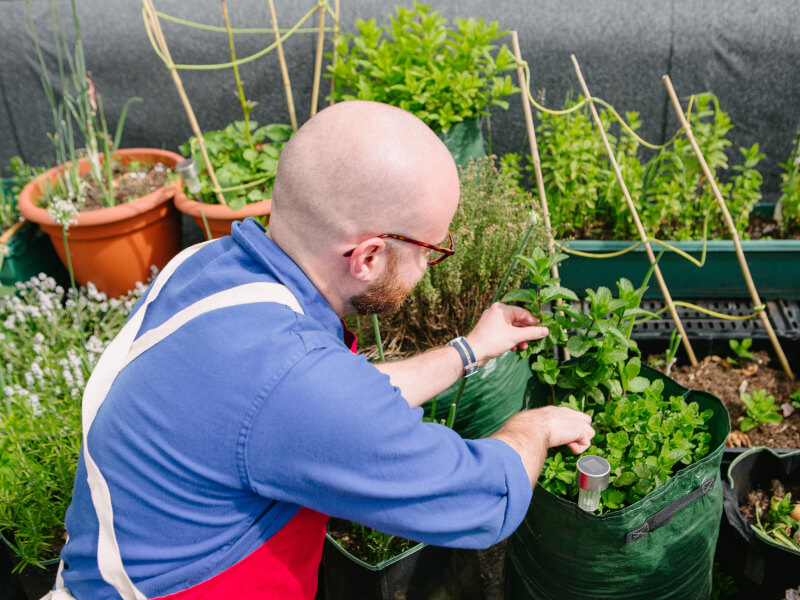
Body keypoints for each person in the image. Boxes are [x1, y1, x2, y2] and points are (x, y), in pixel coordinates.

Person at [55, 100, 594, 599]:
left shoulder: (207, 268)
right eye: (433, 248)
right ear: (368, 257)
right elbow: (483, 501)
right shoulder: (295, 384)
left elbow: (330, 398)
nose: (432, 266)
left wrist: (469, 350)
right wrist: (537, 428)